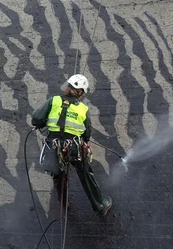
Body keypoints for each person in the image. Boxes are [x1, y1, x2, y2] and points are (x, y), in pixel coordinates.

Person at [31, 73, 112, 218]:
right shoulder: (83, 109)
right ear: (80, 93)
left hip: (54, 146)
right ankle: (99, 205)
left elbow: (36, 118)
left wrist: (43, 124)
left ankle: (63, 203)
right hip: (74, 147)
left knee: (59, 174)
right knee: (85, 173)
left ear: (68, 87)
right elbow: (87, 133)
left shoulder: (53, 100)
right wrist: (83, 142)